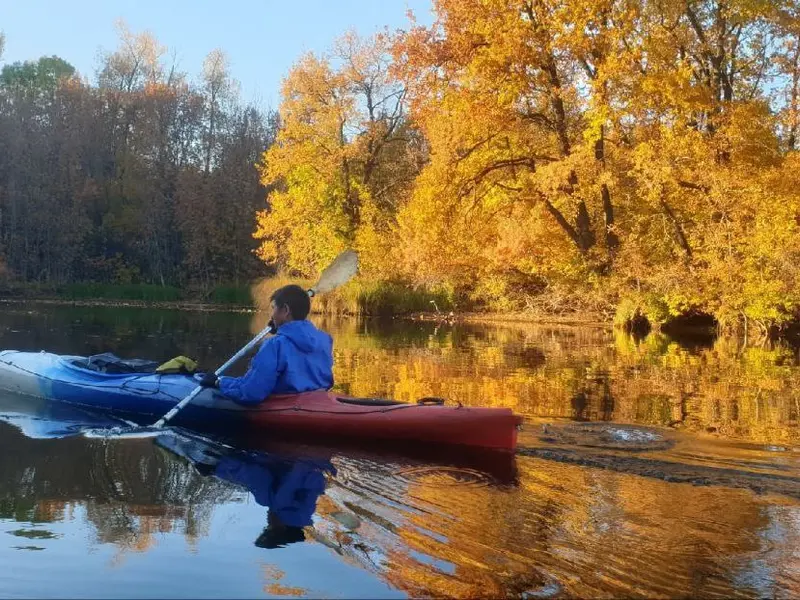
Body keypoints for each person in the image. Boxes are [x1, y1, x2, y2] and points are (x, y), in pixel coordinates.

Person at [197, 284, 334, 405]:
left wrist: (218, 383)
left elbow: (251, 393)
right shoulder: (324, 339)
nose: (271, 315)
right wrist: (281, 328)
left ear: (285, 310)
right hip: (317, 402)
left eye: (273, 308)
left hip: (286, 407)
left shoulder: (275, 345)